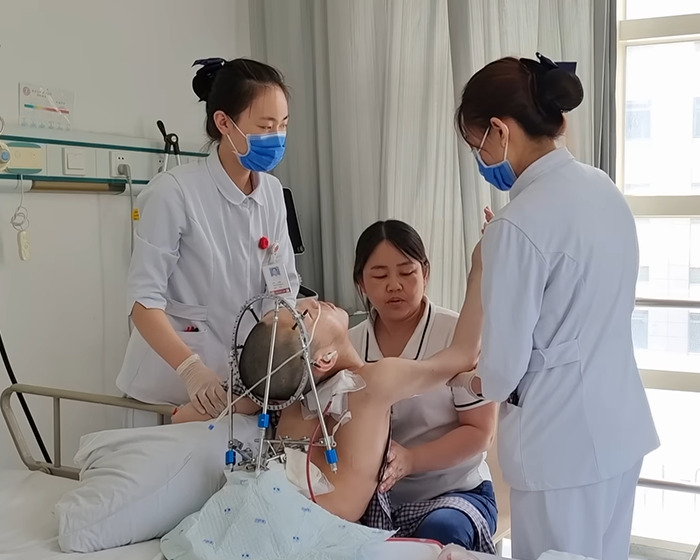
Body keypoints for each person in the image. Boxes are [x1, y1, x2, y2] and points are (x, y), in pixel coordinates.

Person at [447, 52, 659, 560]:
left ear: (499, 130)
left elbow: (501, 374)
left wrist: (468, 381)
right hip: (619, 427)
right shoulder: (602, 187)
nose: (480, 156)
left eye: (477, 143)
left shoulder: (516, 226)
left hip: (561, 451)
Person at [171, 256, 496, 554]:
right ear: (324, 358)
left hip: (266, 517)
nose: (313, 301)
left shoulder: (286, 398)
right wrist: (479, 267)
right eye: (307, 315)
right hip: (312, 534)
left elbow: (181, 417)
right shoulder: (374, 383)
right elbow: (463, 354)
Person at [116, 57, 299, 422]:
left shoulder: (273, 193)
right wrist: (190, 369)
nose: (276, 137)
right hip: (166, 394)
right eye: (265, 126)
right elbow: (142, 301)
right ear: (224, 123)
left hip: (237, 394)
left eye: (282, 125)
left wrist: (290, 328)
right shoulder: (174, 193)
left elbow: (281, 286)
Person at [348, 220, 497, 550]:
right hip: (375, 500)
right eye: (380, 275)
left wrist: (411, 460)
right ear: (361, 281)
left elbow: (480, 432)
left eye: (406, 272)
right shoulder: (351, 345)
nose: (394, 285)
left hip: (455, 492)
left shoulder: (457, 335)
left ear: (425, 273)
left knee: (440, 534)